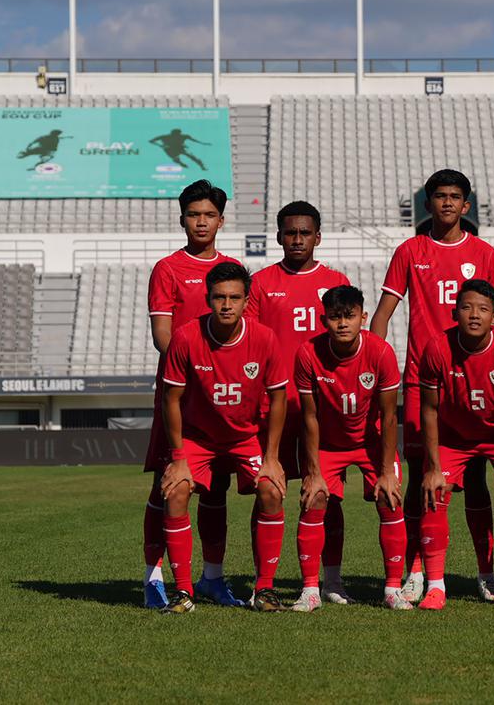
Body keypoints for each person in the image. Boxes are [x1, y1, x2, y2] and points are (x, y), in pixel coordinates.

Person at [370, 169, 494, 603]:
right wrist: (374, 360)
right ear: (428, 203)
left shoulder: (484, 253)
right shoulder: (409, 251)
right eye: (439, 196)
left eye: (455, 197)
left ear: (465, 205)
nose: (447, 203)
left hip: (477, 381)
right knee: (421, 477)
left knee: (476, 480)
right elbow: (383, 312)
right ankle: (418, 569)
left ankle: (486, 574)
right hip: (422, 380)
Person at [158, 262, 289, 614]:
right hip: (199, 438)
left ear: (247, 300)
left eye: (234, 297)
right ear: (208, 299)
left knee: (272, 489)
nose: (227, 305)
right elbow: (171, 398)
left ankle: (264, 590)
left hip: (245, 437)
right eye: (219, 297)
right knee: (176, 491)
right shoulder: (186, 337)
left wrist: (273, 456)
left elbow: (279, 398)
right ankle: (184, 593)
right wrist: (178, 456)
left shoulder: (264, 338)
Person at [140, 179, 242, 610]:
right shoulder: (167, 269)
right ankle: (153, 577)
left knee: (215, 489)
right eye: (193, 214)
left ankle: (212, 579)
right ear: (182, 218)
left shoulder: (234, 271)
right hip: (181, 394)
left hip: (222, 398)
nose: (201, 221)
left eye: (208, 214)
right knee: (168, 486)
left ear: (221, 219)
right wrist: (196, 369)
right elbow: (163, 334)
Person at [246, 200, 353, 603]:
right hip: (273, 408)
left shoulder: (336, 280)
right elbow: (252, 345)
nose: (296, 240)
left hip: (321, 410)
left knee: (327, 496)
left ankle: (332, 580)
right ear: (278, 237)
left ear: (318, 237)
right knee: (269, 492)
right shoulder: (260, 283)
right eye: (289, 233)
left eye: (304, 233)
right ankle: (265, 583)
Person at [417, 280, 494, 611]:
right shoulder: (437, 348)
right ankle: (435, 586)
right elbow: (428, 409)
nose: (475, 315)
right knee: (434, 491)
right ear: (454, 312)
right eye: (468, 308)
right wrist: (431, 468)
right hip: (454, 436)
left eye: (484, 309)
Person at [293, 286, 410, 611]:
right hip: (328, 444)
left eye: (349, 316)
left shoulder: (381, 352)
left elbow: (389, 417)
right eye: (335, 317)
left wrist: (386, 472)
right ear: (323, 320)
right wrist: (313, 472)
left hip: (371, 443)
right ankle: (314, 589)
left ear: (363, 318)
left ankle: (391, 590)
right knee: (314, 500)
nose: (343, 323)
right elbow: (309, 417)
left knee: (390, 497)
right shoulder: (307, 354)